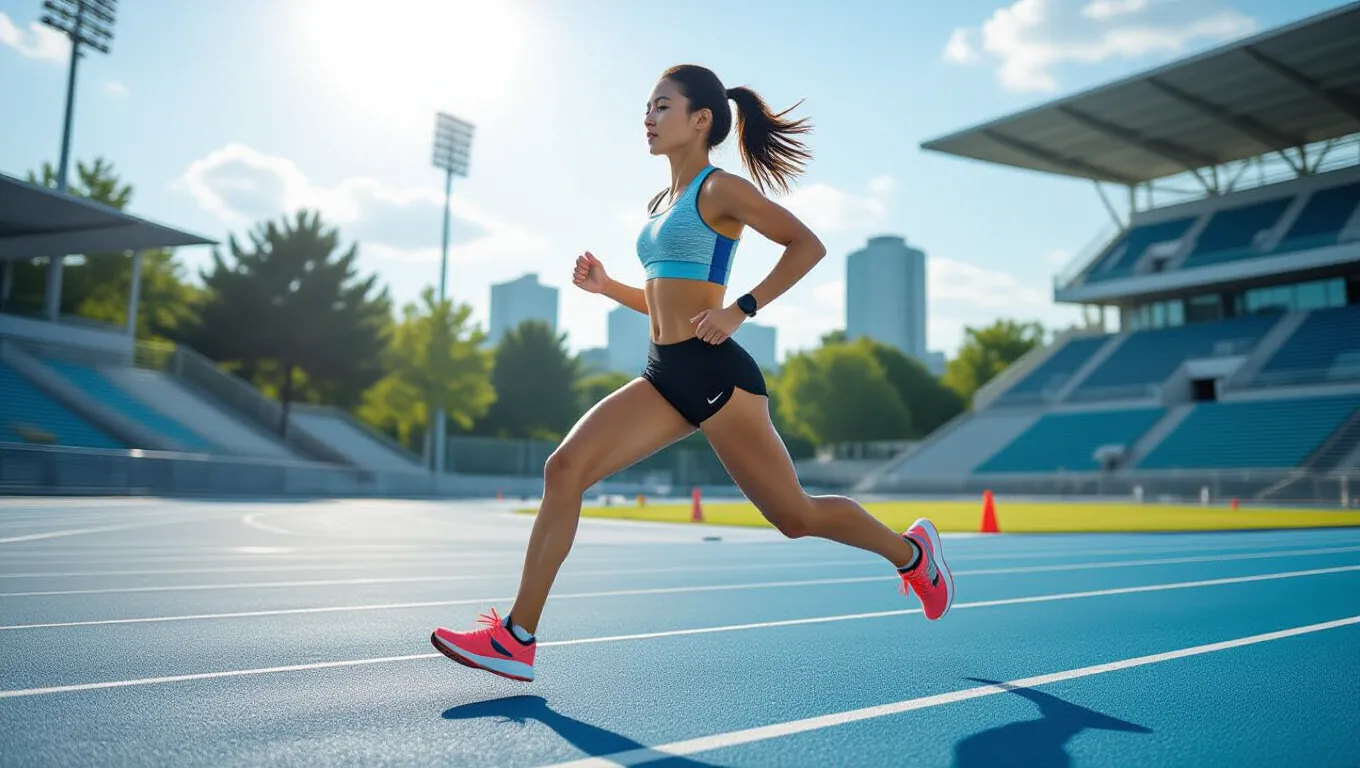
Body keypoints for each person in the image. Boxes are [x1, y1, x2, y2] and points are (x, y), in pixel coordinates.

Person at [430, 64, 954, 683]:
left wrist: (740, 310)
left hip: (717, 376)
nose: (648, 118)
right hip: (664, 372)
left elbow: (807, 245)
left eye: (661, 107)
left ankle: (913, 554)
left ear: (701, 120)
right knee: (563, 468)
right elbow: (663, 303)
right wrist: (608, 288)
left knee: (796, 518)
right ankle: (516, 638)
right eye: (648, 108)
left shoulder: (719, 189)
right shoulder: (663, 203)